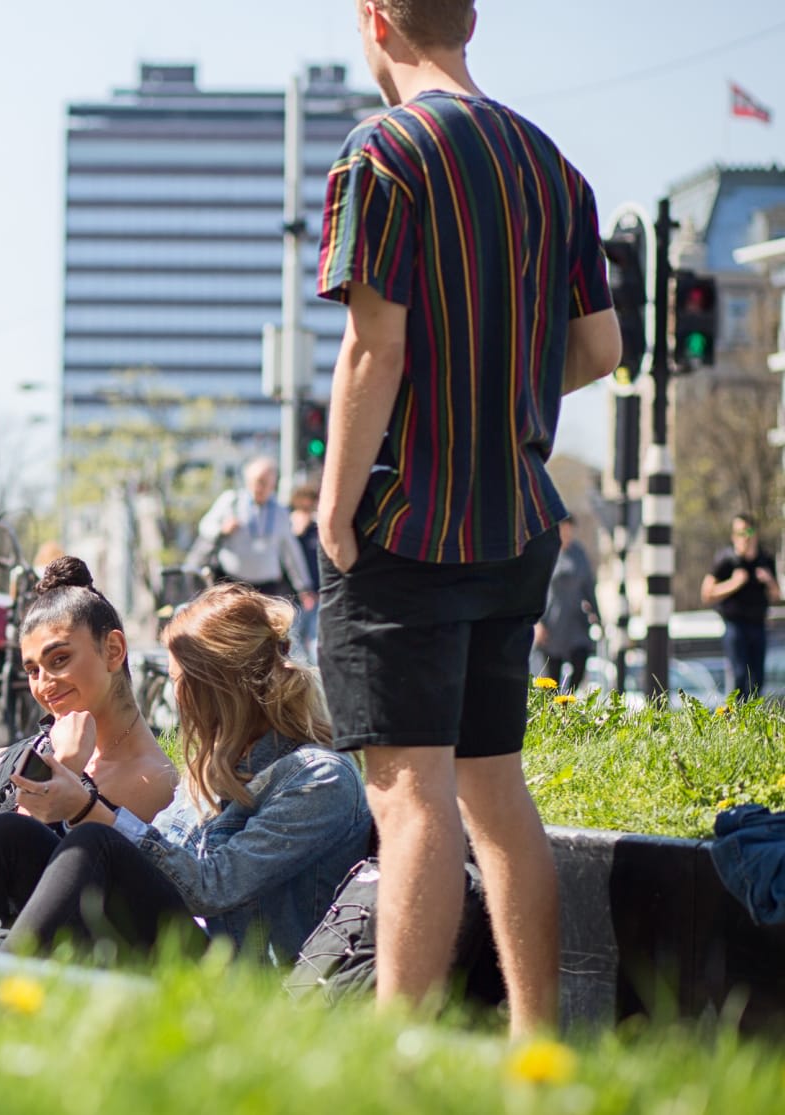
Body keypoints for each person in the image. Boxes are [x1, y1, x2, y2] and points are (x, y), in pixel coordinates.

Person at [316, 0, 621, 1034]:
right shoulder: (551, 164)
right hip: (518, 518)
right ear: (470, 21)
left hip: (406, 518)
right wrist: (508, 400)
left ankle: (398, 1066)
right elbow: (601, 348)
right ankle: (539, 1051)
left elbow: (375, 349)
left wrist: (334, 504)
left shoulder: (382, 156)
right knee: (496, 790)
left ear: (375, 23)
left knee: (410, 803)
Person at [0, 580, 370, 965]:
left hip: (228, 975)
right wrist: (5, 764)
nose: (176, 696)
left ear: (225, 685)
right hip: (159, 936)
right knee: (17, 837)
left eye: (184, 681)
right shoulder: (219, 762)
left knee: (94, 843)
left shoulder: (317, 779)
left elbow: (210, 887)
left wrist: (85, 805)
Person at [190, 457, 315, 610]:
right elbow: (205, 526)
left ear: (273, 484)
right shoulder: (231, 501)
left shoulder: (280, 512)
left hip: (267, 589)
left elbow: (291, 552)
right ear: (248, 481)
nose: (260, 487)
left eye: (265, 482)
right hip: (232, 583)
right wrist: (222, 529)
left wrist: (303, 587)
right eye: (257, 481)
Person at [702, 513, 779, 702]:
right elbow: (706, 593)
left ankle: (752, 719)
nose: (745, 537)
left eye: (748, 531)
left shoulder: (765, 559)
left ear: (755, 534)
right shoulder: (726, 560)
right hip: (735, 624)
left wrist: (769, 580)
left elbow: (777, 595)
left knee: (757, 678)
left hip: (758, 624)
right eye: (739, 533)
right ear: (733, 536)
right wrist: (733, 584)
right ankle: (737, 718)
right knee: (739, 675)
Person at [534, 518, 599, 691]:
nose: (567, 533)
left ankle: (568, 701)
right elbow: (536, 587)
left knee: (580, 659)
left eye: (570, 529)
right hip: (552, 623)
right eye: (564, 529)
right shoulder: (547, 553)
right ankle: (554, 711)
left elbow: (589, 587)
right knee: (551, 680)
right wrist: (538, 622)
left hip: (575, 622)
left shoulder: (579, 555)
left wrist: (596, 615)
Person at [288, 484, 322, 664]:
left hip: (318, 594)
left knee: (316, 642)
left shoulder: (317, 530)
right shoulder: (288, 528)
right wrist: (295, 532)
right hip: (294, 595)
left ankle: (316, 683)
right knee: (294, 642)